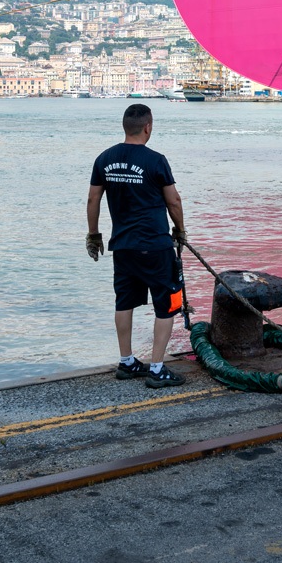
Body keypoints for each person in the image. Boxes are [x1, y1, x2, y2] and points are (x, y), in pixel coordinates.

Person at [86, 103, 187, 388]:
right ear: (148, 127)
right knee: (167, 304)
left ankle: (127, 361)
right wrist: (180, 230)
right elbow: (174, 200)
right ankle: (157, 368)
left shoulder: (104, 159)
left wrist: (93, 235)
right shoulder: (156, 160)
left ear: (124, 127)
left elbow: (93, 199)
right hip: (154, 245)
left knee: (124, 301)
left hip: (123, 246)